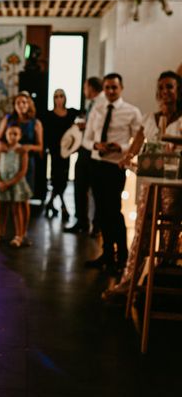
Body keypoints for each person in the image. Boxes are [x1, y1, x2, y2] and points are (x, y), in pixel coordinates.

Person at [103, 71, 182, 299]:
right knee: (141, 234)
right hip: (149, 185)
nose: (166, 92)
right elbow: (135, 147)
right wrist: (127, 157)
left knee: (170, 235)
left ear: (178, 90)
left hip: (174, 188)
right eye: (162, 88)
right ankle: (128, 283)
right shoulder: (150, 119)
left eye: (170, 87)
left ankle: (161, 283)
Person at [83, 73, 142, 272]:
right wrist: (96, 145)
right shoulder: (97, 109)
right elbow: (86, 140)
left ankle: (122, 257)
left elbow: (138, 141)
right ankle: (107, 253)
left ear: (121, 88)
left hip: (115, 167)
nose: (110, 91)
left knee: (114, 212)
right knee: (101, 212)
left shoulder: (132, 112)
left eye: (114, 87)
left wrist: (122, 148)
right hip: (97, 163)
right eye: (107, 87)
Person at [0, 91, 43, 237]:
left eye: (24, 102)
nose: (21, 105)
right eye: (18, 103)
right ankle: (1, 233)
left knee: (23, 200)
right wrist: (0, 145)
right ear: (14, 105)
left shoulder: (36, 123)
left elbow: (40, 146)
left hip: (26, 163)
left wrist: (27, 147)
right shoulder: (8, 119)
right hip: (9, 162)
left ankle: (23, 232)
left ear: (29, 105)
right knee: (5, 200)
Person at [64, 76, 103, 234]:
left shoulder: (102, 103)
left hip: (95, 150)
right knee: (80, 186)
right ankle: (82, 221)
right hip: (84, 148)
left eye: (85, 87)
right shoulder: (91, 103)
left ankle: (97, 225)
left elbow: (99, 123)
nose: (83, 90)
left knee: (96, 189)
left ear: (91, 88)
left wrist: (86, 125)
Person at [0, 124, 33, 248]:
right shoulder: (0, 149)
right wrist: (0, 181)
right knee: (0, 209)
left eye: (15, 134)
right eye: (10, 133)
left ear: (20, 136)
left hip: (16, 183)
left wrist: (10, 182)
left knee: (16, 209)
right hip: (1, 181)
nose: (12, 136)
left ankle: (19, 236)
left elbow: (23, 170)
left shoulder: (21, 150)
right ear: (5, 135)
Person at [43, 88, 79, 219]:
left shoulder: (71, 113)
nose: (59, 99)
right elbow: (46, 133)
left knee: (63, 179)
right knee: (56, 178)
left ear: (65, 98)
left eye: (61, 96)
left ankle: (50, 204)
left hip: (67, 151)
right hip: (54, 151)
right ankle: (63, 207)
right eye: (56, 96)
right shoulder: (49, 115)